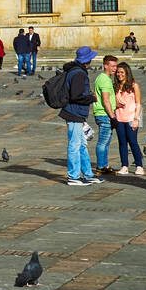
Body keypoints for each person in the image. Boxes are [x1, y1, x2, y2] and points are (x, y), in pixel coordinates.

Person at [59, 47, 100, 186]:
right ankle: (74, 176)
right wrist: (91, 98)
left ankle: (88, 174)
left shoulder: (75, 71)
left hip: (76, 113)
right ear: (87, 60)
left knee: (82, 144)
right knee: (75, 145)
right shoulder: (78, 74)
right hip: (74, 113)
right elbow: (76, 96)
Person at [112, 61, 144, 176]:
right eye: (117, 72)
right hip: (119, 118)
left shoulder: (134, 86)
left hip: (131, 118)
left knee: (133, 142)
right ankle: (124, 165)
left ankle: (139, 165)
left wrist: (136, 119)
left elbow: (139, 103)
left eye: (122, 72)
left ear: (127, 73)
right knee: (122, 143)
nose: (119, 74)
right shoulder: (115, 86)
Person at [92, 55, 118, 174]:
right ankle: (101, 166)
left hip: (102, 113)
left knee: (106, 141)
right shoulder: (105, 80)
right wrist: (112, 117)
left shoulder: (101, 78)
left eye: (116, 66)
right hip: (104, 114)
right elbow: (105, 100)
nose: (115, 68)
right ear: (105, 65)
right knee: (103, 141)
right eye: (112, 66)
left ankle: (104, 165)